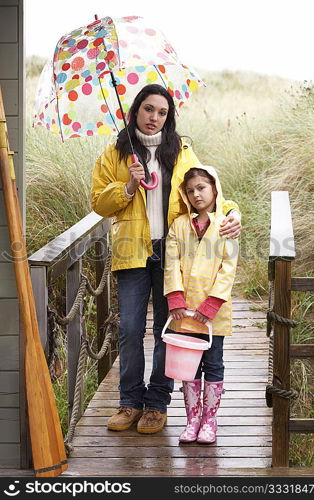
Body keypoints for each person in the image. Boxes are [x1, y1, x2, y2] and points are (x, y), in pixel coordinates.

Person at [91, 83, 241, 434]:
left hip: (175, 253)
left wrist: (233, 213)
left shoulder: (182, 151)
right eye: (148, 109)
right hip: (133, 249)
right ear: (136, 110)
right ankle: (130, 401)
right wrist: (128, 186)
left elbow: (206, 190)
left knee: (167, 328)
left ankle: (157, 403)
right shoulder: (115, 153)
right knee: (129, 329)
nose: (154, 118)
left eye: (162, 112)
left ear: (168, 116)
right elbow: (99, 202)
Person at [164, 166, 239, 444]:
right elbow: (171, 263)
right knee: (189, 366)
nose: (196, 194)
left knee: (214, 362)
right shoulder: (179, 226)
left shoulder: (226, 224)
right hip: (184, 311)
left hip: (212, 314)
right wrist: (175, 298)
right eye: (191, 190)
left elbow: (228, 268)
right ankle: (192, 419)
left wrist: (211, 305)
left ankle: (210, 420)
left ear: (215, 188)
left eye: (202, 188)